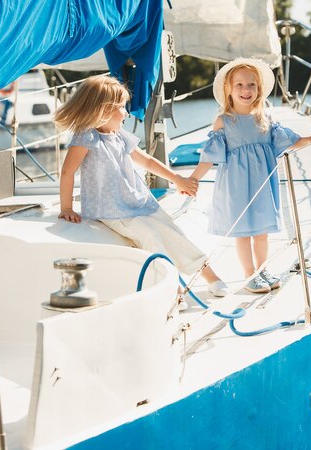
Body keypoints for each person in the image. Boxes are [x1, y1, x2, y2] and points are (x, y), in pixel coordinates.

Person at [55, 75, 228, 307]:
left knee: (172, 231)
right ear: (103, 110)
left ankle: (209, 276)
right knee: (150, 236)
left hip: (138, 202)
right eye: (121, 108)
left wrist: (177, 178)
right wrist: (66, 207)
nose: (126, 113)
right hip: (112, 209)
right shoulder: (87, 136)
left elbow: (146, 161)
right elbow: (67, 172)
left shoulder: (118, 135)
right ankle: (173, 288)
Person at [190, 58, 311, 294]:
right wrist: (194, 178)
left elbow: (287, 142)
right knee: (244, 232)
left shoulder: (265, 118)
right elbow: (210, 156)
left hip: (262, 183)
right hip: (236, 184)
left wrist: (308, 140)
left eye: (251, 85)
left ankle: (262, 269)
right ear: (228, 90)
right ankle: (249, 274)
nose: (246, 90)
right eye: (239, 85)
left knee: (261, 232)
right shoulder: (224, 121)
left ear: (258, 89)